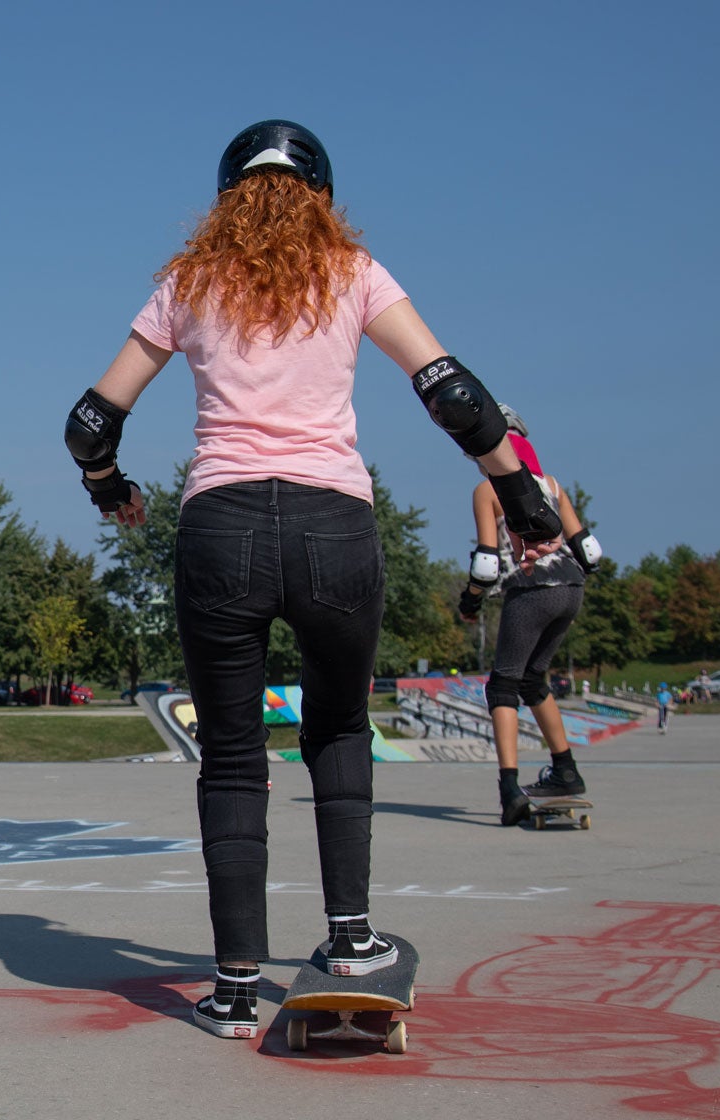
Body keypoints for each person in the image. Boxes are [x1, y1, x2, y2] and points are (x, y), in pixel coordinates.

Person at [63, 120, 564, 1039]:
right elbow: (450, 389)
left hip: (221, 526)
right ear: (324, 197)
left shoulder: (189, 282)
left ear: (224, 200)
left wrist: (111, 489)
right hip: (335, 524)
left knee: (233, 748)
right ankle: (351, 940)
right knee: (336, 723)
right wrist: (522, 494)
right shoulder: (353, 273)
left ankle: (235, 986)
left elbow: (91, 421)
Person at [456, 410, 600, 826]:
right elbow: (588, 553)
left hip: (532, 588)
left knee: (503, 685)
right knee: (533, 678)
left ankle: (509, 789)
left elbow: (486, 565)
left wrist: (470, 603)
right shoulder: (552, 484)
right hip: (571, 589)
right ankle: (566, 770)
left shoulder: (488, 490)